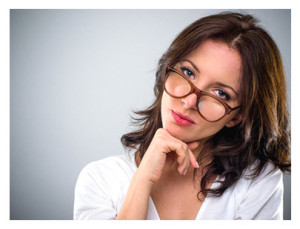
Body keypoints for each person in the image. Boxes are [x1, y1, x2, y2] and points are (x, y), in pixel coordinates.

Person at [73, 12, 290, 220]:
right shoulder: (99, 179)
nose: (189, 101)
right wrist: (142, 180)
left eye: (220, 94)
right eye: (188, 72)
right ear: (166, 70)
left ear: (236, 117)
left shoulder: (258, 183)